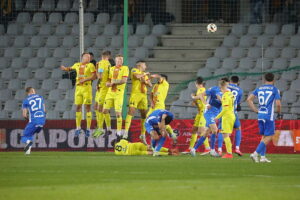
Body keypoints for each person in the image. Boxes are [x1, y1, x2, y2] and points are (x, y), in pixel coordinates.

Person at [247, 73, 282, 163]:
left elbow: (249, 99)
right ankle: (255, 153)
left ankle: (262, 157)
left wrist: (255, 110)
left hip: (260, 115)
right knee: (269, 136)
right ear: (273, 80)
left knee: (264, 136)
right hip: (268, 115)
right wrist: (279, 112)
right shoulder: (275, 89)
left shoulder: (259, 88)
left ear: (264, 79)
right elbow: (278, 104)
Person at [60, 53, 96, 137]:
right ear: (82, 57)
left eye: (89, 57)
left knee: (87, 107)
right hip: (78, 88)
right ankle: (78, 128)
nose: (88, 58)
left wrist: (85, 79)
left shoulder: (91, 65)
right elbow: (70, 68)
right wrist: (65, 69)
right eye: (87, 56)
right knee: (78, 107)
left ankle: (88, 129)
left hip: (87, 88)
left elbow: (94, 76)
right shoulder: (77, 64)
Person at [190, 78, 226, 157]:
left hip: (216, 114)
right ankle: (212, 150)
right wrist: (206, 104)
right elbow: (201, 95)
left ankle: (194, 149)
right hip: (209, 112)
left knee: (206, 133)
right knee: (215, 130)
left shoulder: (227, 92)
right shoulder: (214, 89)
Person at [102, 55, 129, 138]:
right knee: (104, 111)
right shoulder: (112, 68)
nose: (119, 61)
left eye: (121, 60)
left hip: (119, 93)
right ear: (115, 61)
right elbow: (109, 79)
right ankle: (109, 129)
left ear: (122, 61)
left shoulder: (125, 68)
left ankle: (119, 132)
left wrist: (113, 82)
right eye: (118, 60)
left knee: (118, 113)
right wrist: (107, 83)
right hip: (110, 92)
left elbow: (124, 80)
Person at [124, 61, 152, 139]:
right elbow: (136, 76)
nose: (145, 66)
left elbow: (150, 85)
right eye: (144, 64)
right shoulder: (134, 70)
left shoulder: (144, 74)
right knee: (131, 111)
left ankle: (142, 134)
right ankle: (125, 132)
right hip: (135, 94)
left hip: (143, 95)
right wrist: (145, 74)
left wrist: (146, 81)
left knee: (144, 114)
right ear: (139, 65)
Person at [182, 77, 210, 155]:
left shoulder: (202, 90)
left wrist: (193, 97)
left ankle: (207, 148)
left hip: (204, 112)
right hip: (199, 112)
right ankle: (190, 148)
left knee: (201, 131)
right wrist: (195, 101)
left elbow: (200, 98)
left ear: (196, 83)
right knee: (194, 130)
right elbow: (198, 101)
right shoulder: (199, 90)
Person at [145, 74, 176, 144]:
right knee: (147, 120)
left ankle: (171, 132)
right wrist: (152, 102)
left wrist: (154, 76)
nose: (159, 79)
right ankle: (152, 135)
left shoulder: (165, 84)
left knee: (160, 121)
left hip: (160, 105)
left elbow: (159, 77)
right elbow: (151, 95)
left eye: (161, 78)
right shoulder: (156, 85)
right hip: (153, 106)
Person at [217, 76, 244, 156]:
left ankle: (220, 149)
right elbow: (237, 102)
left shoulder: (224, 87)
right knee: (238, 128)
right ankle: (237, 148)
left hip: (224, 112)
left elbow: (220, 99)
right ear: (238, 82)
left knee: (222, 131)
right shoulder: (240, 90)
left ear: (230, 81)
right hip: (233, 112)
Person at [21, 87, 46, 155]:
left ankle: (28, 147)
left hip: (34, 121)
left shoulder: (26, 100)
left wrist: (28, 119)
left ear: (27, 92)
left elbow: (24, 115)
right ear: (32, 91)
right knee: (30, 134)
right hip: (42, 121)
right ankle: (27, 152)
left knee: (25, 136)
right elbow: (44, 110)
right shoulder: (40, 97)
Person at [93, 51, 112, 138]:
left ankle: (103, 128)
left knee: (101, 108)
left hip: (104, 89)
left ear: (102, 56)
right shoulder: (109, 63)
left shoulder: (101, 63)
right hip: (101, 87)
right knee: (96, 107)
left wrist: (96, 69)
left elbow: (99, 76)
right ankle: (102, 126)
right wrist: (97, 84)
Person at [215, 79, 235, 158]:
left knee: (225, 135)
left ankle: (229, 154)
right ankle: (229, 153)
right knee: (226, 135)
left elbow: (225, 109)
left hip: (227, 117)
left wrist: (217, 117)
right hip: (231, 115)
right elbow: (228, 105)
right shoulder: (230, 93)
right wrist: (221, 99)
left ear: (221, 87)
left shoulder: (225, 95)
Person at [111, 138, 179, 156]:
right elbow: (128, 142)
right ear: (116, 142)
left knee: (150, 153)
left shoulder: (116, 152)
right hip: (134, 145)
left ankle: (170, 154)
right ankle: (169, 150)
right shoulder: (122, 141)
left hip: (131, 152)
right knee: (151, 148)